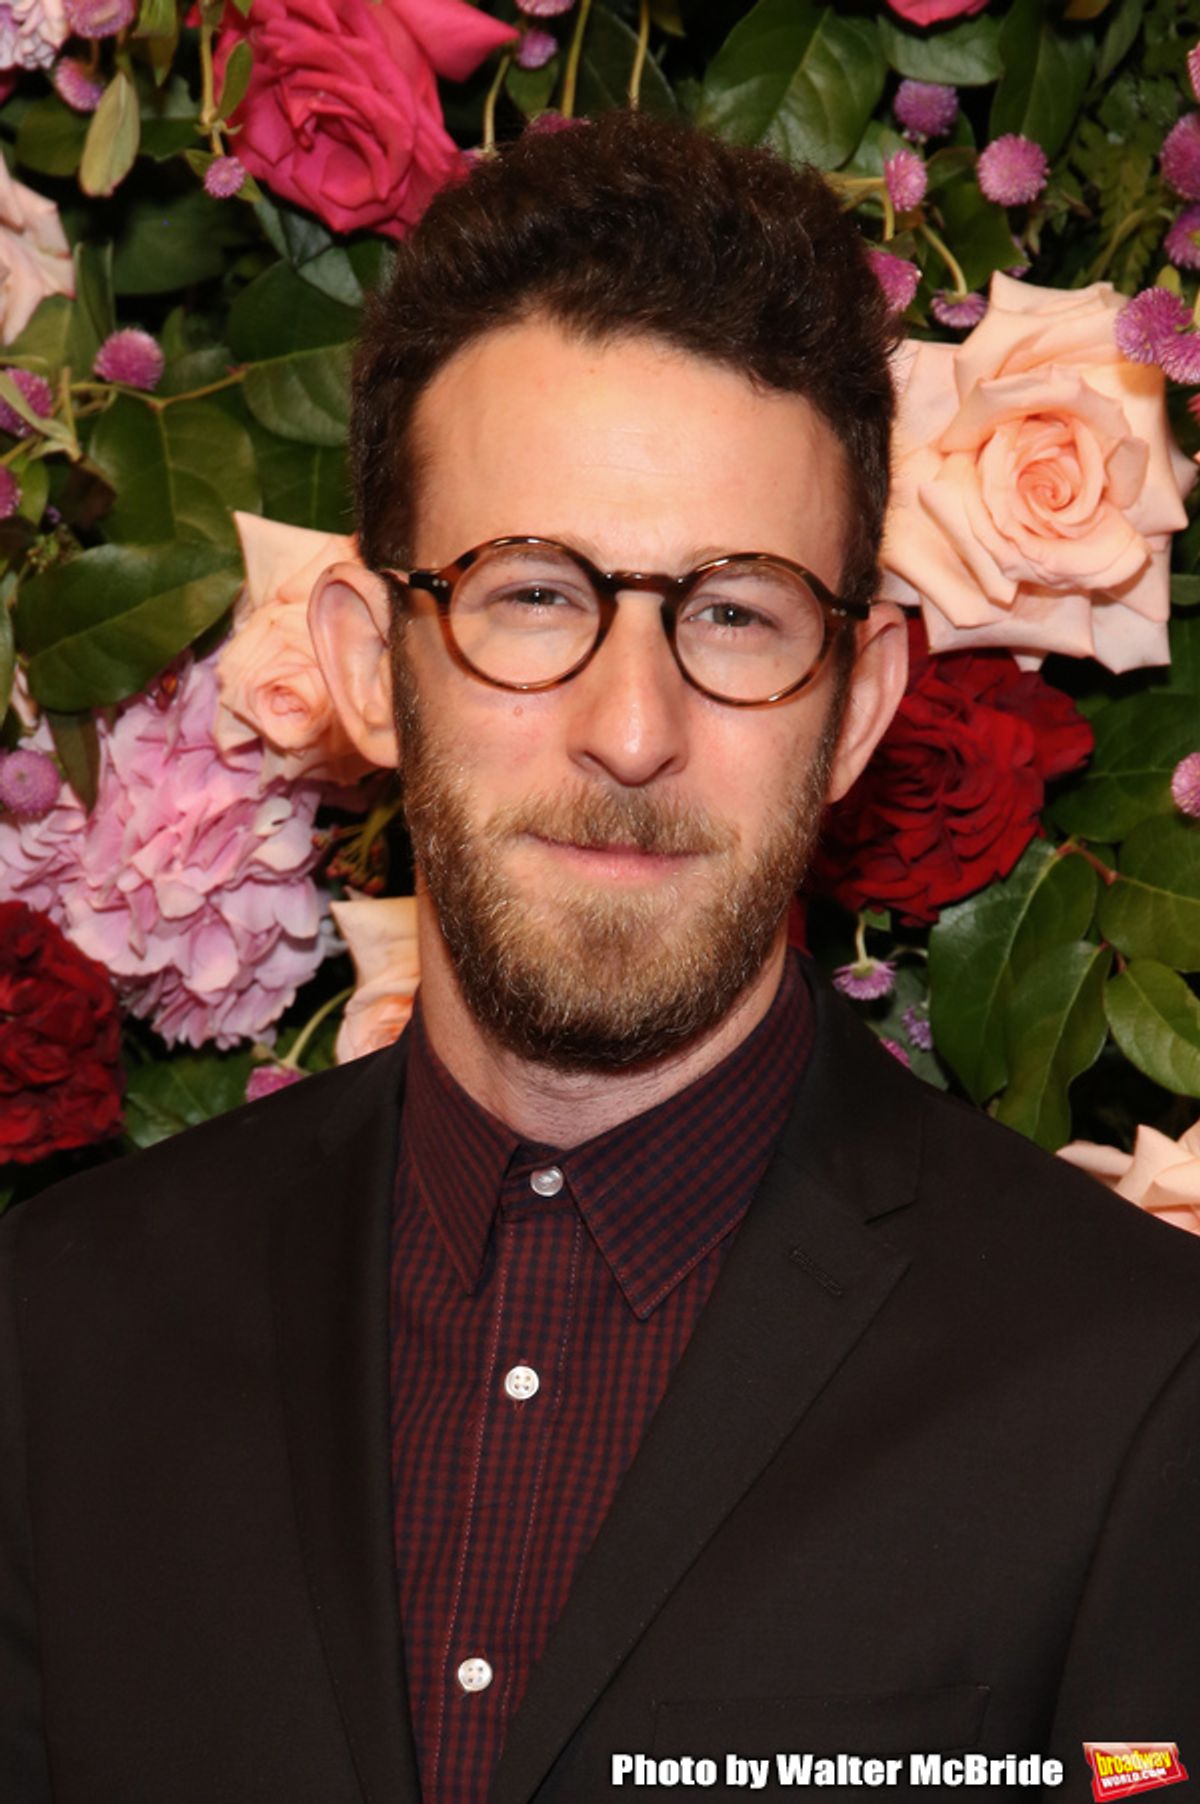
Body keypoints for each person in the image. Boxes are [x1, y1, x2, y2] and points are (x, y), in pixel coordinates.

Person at [3, 111, 1200, 1804]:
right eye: (534, 594)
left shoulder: (1142, 1392)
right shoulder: (60, 1338)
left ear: (856, 709)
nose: (629, 730)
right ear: (368, 658)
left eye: (735, 613)